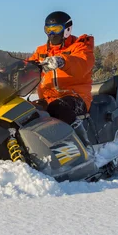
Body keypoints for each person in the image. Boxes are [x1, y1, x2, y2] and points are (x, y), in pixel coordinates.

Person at [28, 11, 95, 146]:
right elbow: (27, 67)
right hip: (47, 99)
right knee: (27, 112)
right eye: (48, 29)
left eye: (56, 29)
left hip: (76, 97)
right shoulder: (41, 51)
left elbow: (81, 64)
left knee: (58, 108)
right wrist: (4, 72)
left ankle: (83, 145)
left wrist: (62, 61)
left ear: (67, 29)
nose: (51, 34)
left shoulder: (80, 47)